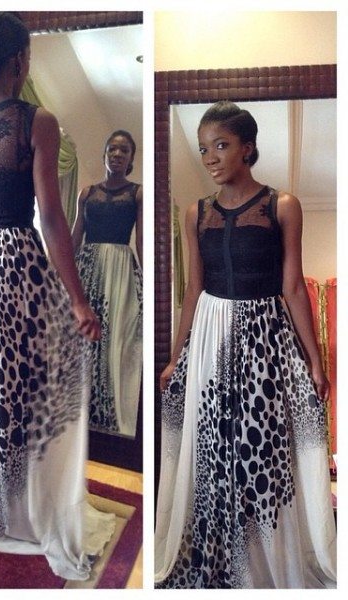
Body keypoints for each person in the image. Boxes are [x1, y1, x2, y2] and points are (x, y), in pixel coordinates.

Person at [0, 11, 115, 581]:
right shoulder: (35, 121)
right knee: (23, 389)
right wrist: (78, 300)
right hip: (11, 265)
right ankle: (23, 509)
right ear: (20, 61)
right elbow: (50, 216)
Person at [154, 100, 336, 588]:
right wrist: (176, 358)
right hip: (210, 337)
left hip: (267, 340)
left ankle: (262, 560)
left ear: (248, 148)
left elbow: (293, 287)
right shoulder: (195, 213)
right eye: (203, 149)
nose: (210, 157)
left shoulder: (283, 205)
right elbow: (193, 289)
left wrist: (315, 361)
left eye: (221, 145)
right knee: (215, 447)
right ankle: (222, 556)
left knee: (262, 448)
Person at [71, 130, 142, 436]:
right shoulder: (86, 193)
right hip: (86, 268)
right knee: (83, 339)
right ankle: (80, 414)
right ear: (104, 154)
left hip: (121, 271)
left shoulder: (137, 193)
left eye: (124, 150)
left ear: (131, 159)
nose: (117, 154)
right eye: (112, 149)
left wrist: (147, 282)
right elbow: (75, 236)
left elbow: (142, 240)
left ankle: (110, 416)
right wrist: (61, 277)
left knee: (116, 340)